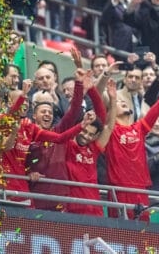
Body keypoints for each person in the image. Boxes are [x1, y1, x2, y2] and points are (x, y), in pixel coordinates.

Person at [105, 65, 159, 220]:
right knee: (120, 234)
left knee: (144, 235)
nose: (123, 102)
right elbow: (97, 105)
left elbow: (158, 106)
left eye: (124, 102)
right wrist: (112, 97)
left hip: (141, 189)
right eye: (119, 102)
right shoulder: (109, 131)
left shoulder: (139, 128)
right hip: (119, 188)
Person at [66, 79, 117, 217]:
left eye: (91, 135)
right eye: (85, 131)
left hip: (95, 208)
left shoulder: (93, 149)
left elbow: (109, 127)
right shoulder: (67, 145)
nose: (87, 136)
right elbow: (70, 116)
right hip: (73, 208)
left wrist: (113, 100)